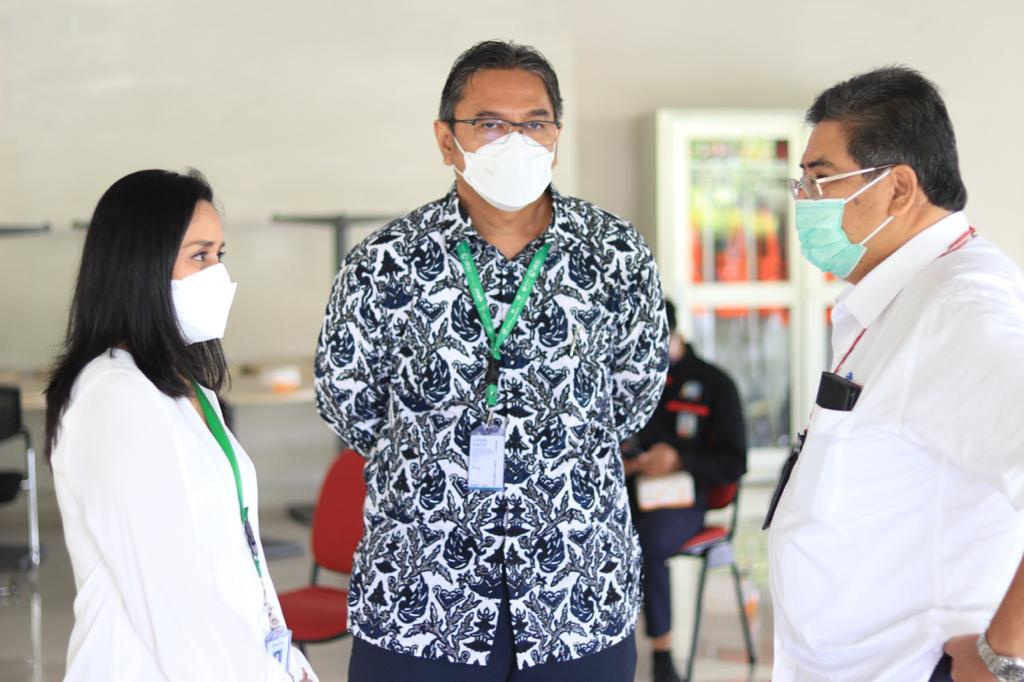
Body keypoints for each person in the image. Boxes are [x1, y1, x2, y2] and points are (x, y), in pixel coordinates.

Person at [314, 40, 668, 681]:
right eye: (490, 124)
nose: (516, 141)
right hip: (421, 592)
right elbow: (347, 400)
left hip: (575, 589)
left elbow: (635, 392)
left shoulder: (616, 254)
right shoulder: (384, 260)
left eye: (535, 123)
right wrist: (435, 461)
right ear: (447, 140)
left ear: (557, 135)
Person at [767, 66, 1024, 681]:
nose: (803, 201)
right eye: (801, 180)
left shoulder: (958, 310)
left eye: (822, 179)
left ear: (899, 188)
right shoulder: (900, 295)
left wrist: (1001, 656)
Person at [45, 169, 316, 682]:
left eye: (220, 255)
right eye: (199, 255)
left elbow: (236, 552)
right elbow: (168, 596)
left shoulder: (185, 387)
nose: (218, 274)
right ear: (140, 267)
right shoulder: (115, 397)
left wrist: (283, 663)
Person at [622, 299, 747, 682]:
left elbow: (734, 462)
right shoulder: (631, 382)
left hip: (685, 498)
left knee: (647, 541)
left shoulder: (714, 384)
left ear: (673, 334)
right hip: (629, 488)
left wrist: (679, 459)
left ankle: (662, 653)